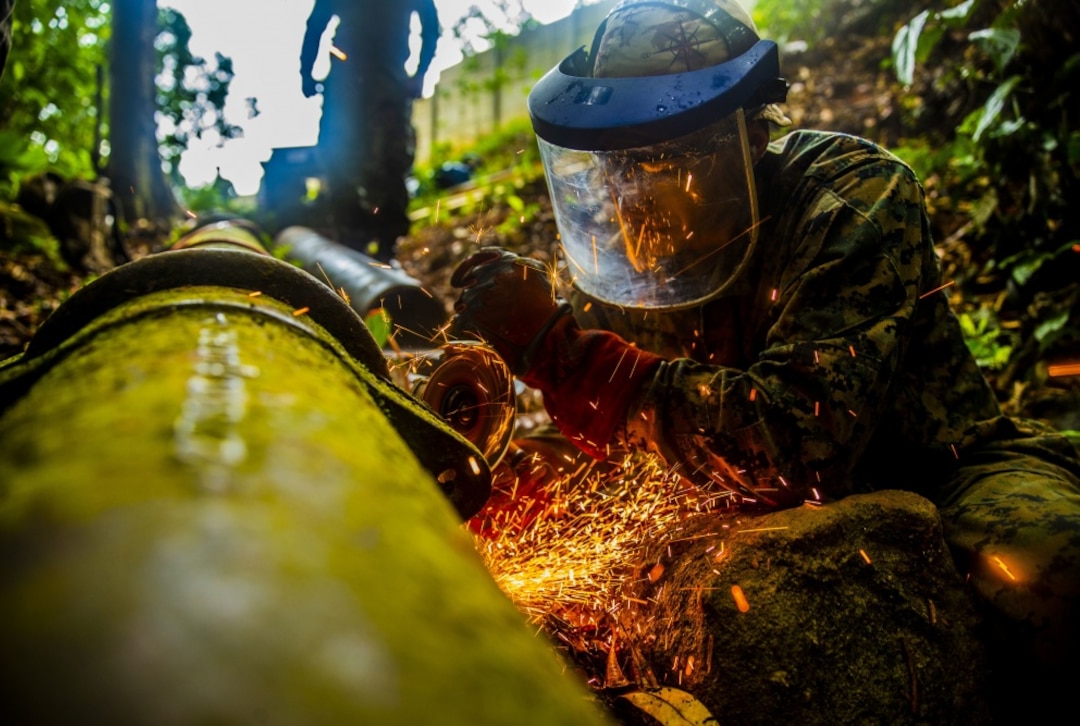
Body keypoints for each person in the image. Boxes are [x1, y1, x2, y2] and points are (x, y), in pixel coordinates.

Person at [449, 0, 1080, 715]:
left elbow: (801, 445)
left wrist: (571, 360)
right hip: (723, 500)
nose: (631, 193)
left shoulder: (850, 199)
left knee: (1048, 568)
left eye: (658, 160)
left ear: (746, 138)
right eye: (613, 165)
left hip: (940, 470)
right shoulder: (617, 257)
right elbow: (631, 438)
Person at [299, 0, 439, 261]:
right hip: (345, 79)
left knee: (391, 158)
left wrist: (420, 72)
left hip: (388, 78)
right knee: (339, 158)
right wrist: (306, 72)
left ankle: (388, 243)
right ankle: (352, 242)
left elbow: (429, 24)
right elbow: (316, 25)